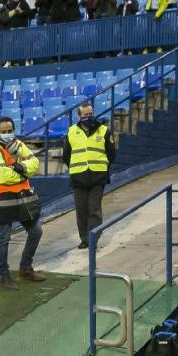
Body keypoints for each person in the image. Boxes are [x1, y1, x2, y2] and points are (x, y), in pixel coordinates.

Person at [0, 117, 46, 290]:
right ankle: (4, 276)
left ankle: (25, 268)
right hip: (4, 200)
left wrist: (20, 168)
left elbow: (35, 163)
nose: (7, 134)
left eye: (9, 130)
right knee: (4, 239)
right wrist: (24, 172)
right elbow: (2, 176)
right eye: (3, 131)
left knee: (36, 231)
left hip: (24, 198)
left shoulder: (19, 145)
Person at [63, 102, 116, 249]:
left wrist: (103, 168)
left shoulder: (104, 130)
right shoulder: (71, 131)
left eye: (90, 114)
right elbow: (66, 156)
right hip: (78, 177)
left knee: (94, 209)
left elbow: (111, 154)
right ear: (79, 116)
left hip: (97, 176)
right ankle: (84, 239)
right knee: (81, 210)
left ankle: (93, 238)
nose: (88, 117)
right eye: (85, 115)